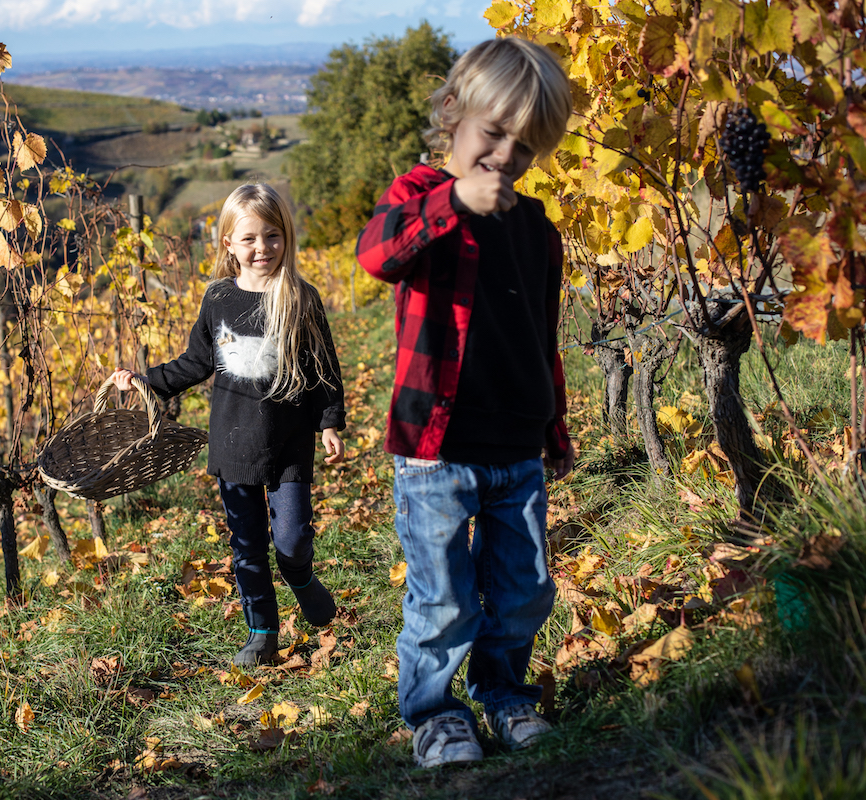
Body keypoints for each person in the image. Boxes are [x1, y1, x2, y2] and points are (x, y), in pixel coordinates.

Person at [356, 37, 576, 767]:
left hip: (516, 446)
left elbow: (541, 336)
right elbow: (376, 255)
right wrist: (451, 200)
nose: (508, 155)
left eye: (526, 145)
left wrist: (556, 427)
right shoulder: (416, 197)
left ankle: (504, 693)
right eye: (495, 133)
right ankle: (434, 712)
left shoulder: (537, 228)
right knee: (443, 600)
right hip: (436, 451)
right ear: (453, 112)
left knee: (523, 591)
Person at [111, 183, 347, 667]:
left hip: (289, 444)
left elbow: (325, 367)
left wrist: (329, 422)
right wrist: (145, 380)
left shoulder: (301, 298)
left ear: (287, 238)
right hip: (234, 443)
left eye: (274, 236)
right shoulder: (218, 298)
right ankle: (262, 632)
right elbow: (196, 362)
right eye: (250, 239)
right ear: (229, 244)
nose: (263, 248)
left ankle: (299, 575)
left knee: (293, 538)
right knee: (247, 546)